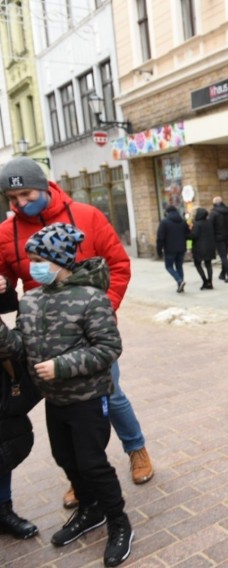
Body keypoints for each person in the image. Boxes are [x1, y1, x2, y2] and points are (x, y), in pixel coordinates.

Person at [0, 157, 153, 515]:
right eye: (12, 197)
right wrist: (3, 288)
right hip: (39, 332)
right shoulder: (7, 234)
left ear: (44, 185)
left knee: (110, 395)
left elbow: (118, 265)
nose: (21, 203)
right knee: (63, 408)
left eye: (26, 194)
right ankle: (80, 476)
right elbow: (7, 294)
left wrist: (102, 307)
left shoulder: (87, 215)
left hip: (87, 327)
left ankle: (136, 448)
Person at [0, 223, 133, 566]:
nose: (32, 267)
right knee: (65, 458)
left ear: (59, 260)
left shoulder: (91, 298)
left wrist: (61, 366)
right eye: (30, 260)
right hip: (55, 400)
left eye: (37, 260)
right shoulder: (29, 302)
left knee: (92, 462)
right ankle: (91, 511)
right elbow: (17, 347)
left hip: (88, 397)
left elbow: (108, 348)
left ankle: (119, 522)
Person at [156, 205, 190, 293]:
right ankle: (180, 285)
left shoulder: (164, 222)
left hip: (169, 249)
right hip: (182, 248)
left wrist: (159, 250)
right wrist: (189, 247)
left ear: (167, 212)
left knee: (169, 266)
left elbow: (160, 237)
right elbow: (188, 235)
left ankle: (179, 280)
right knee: (179, 266)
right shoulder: (183, 221)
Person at [209, 196, 228, 283]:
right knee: (224, 256)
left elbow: (210, 226)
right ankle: (222, 273)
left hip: (218, 237)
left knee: (223, 256)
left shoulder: (213, 213)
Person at [190, 207, 216, 290]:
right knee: (208, 264)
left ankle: (204, 281)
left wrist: (187, 234)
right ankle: (210, 282)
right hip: (210, 247)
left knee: (198, 264)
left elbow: (194, 236)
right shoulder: (209, 223)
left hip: (199, 248)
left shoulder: (197, 224)